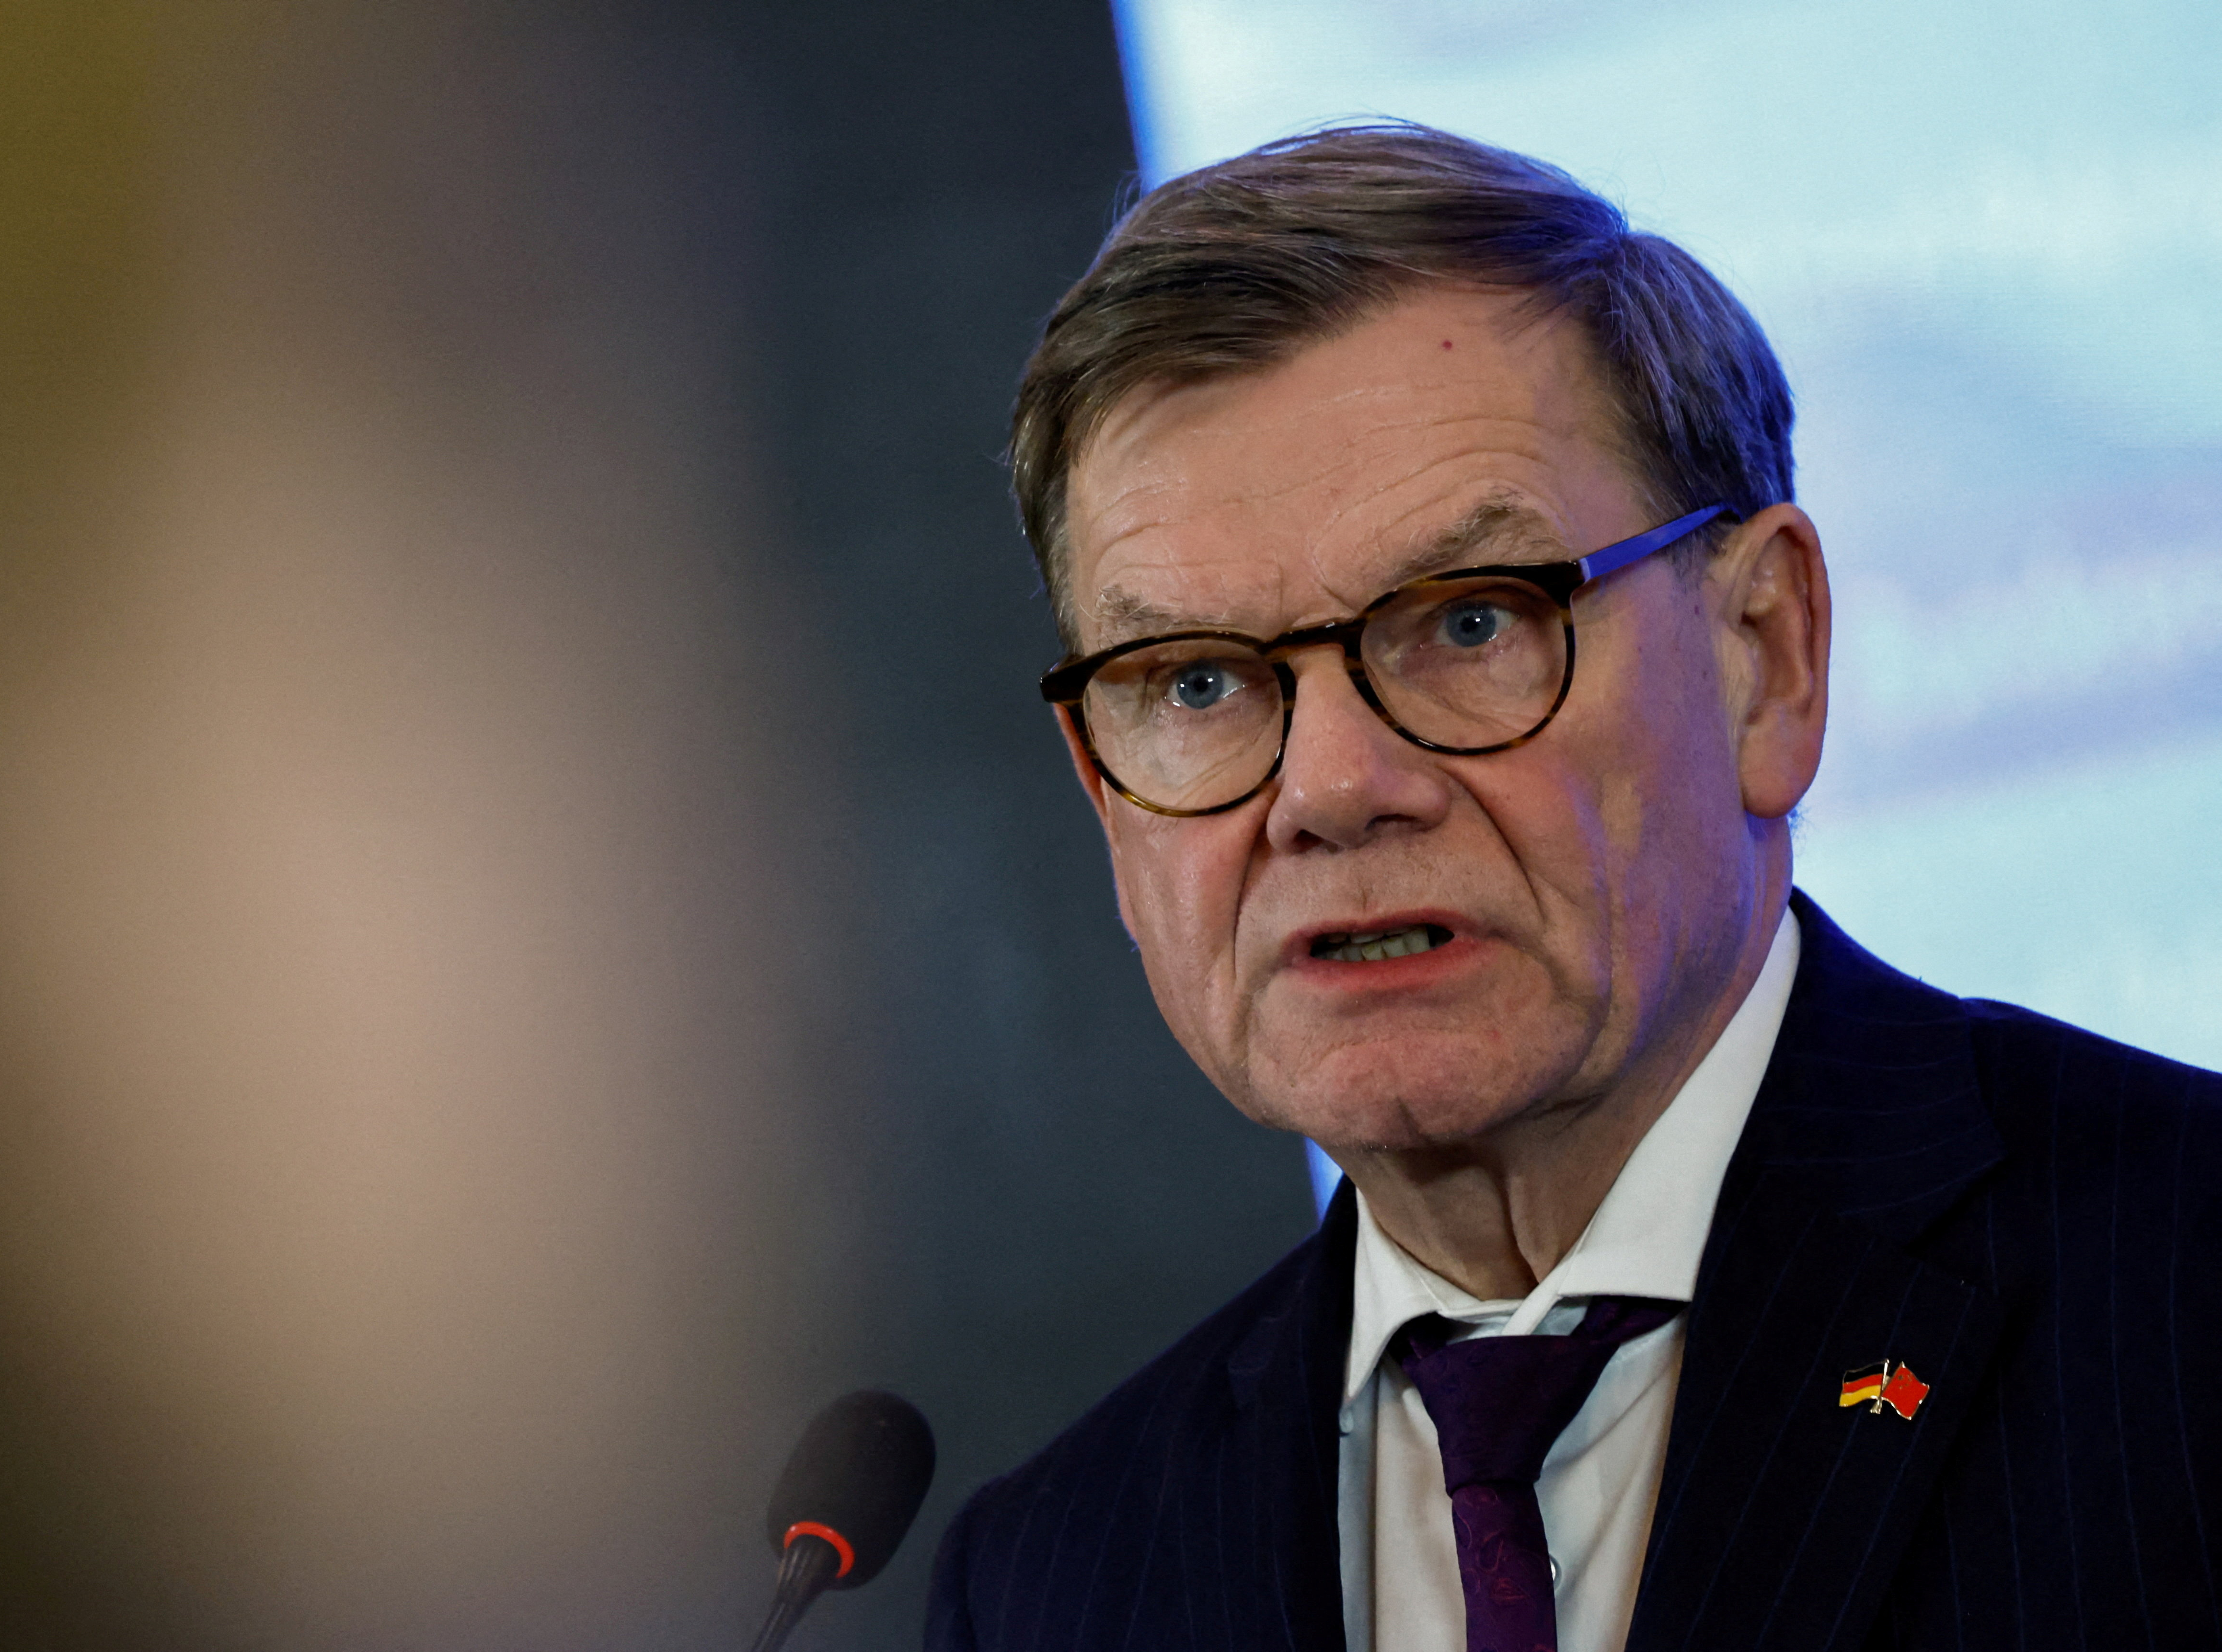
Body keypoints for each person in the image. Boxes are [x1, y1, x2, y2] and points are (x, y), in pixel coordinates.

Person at [924, 123, 2222, 1652]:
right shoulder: (1049, 1583)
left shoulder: (2185, 1295)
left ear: (1766, 658)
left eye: (1470, 623)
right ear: (1101, 790)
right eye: (1196, 680)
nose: (1331, 791)